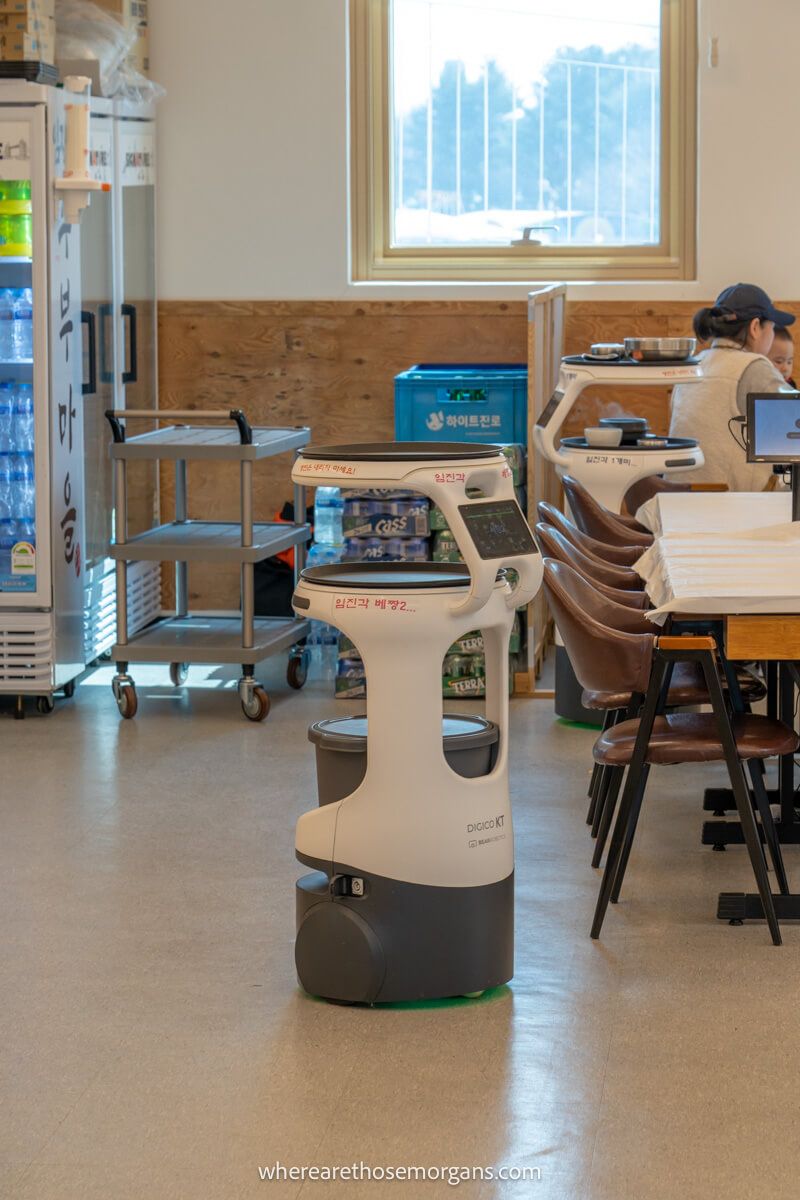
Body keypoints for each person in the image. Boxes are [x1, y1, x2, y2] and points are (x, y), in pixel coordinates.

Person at [669, 282, 794, 491]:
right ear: (755, 327)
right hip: (729, 510)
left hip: (678, 505)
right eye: (772, 328)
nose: (772, 337)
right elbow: (793, 433)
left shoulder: (693, 365)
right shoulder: (754, 367)